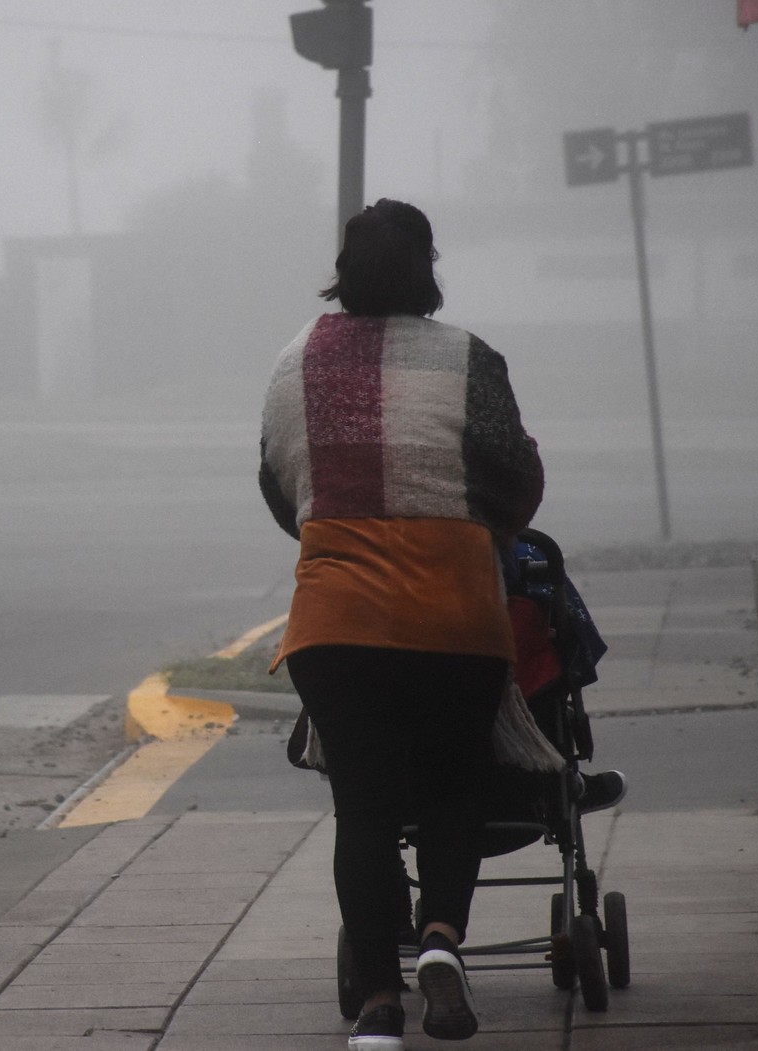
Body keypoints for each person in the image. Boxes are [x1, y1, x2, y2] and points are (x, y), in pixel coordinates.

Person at [259, 200, 544, 1049]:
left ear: (343, 269)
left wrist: (339, 526)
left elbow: (280, 486)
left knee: (366, 808)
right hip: (452, 610)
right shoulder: (466, 356)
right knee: (456, 783)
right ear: (427, 269)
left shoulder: (294, 359)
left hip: (334, 617)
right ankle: (443, 941)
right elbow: (513, 478)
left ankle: (378, 1008)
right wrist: (472, 520)